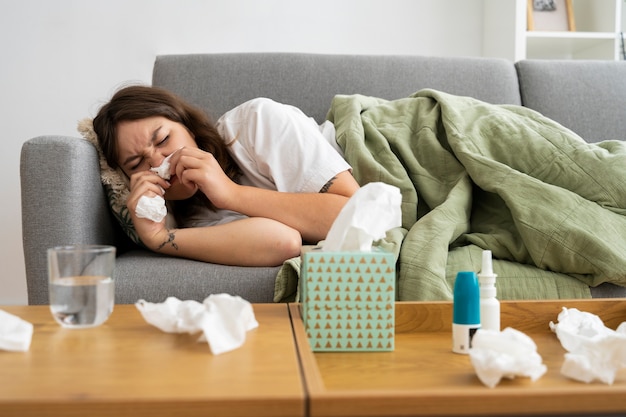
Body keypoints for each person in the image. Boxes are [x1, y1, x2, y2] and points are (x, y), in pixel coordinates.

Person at [92, 85, 360, 267]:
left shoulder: (254, 123)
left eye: (163, 139)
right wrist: (159, 238)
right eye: (137, 162)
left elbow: (356, 216)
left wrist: (230, 192)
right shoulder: (191, 221)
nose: (157, 161)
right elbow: (284, 242)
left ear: (188, 127)